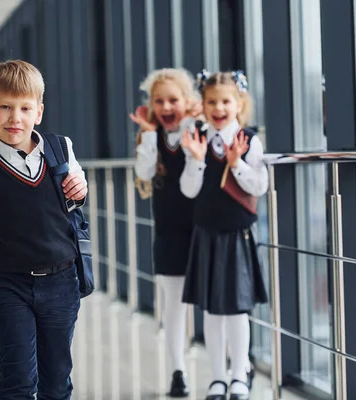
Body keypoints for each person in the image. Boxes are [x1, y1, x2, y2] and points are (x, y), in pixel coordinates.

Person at [0, 60, 88, 400]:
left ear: (38, 112)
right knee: (19, 382)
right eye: (5, 107)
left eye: (25, 108)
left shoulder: (61, 149)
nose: (15, 118)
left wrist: (81, 186)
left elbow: (77, 189)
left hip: (60, 283)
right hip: (8, 286)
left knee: (56, 382)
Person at [180, 70, 268, 400]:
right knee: (212, 313)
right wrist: (198, 161)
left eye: (225, 101)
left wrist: (237, 163)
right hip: (206, 233)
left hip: (237, 235)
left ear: (238, 103)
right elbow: (188, 191)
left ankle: (239, 375)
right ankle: (217, 378)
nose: (219, 108)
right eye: (212, 102)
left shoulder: (248, 139)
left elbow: (260, 186)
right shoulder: (197, 139)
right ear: (202, 105)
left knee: (236, 311)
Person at [130, 68, 201, 398]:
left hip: (203, 232)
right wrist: (146, 133)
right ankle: (178, 371)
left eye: (174, 99)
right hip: (169, 234)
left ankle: (227, 368)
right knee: (173, 307)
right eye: (160, 101)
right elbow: (143, 171)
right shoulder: (152, 138)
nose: (167, 106)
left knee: (213, 304)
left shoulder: (197, 131)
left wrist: (193, 125)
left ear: (187, 102)